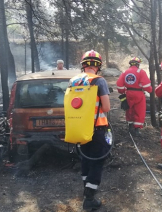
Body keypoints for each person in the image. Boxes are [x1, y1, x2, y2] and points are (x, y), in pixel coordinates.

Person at [70, 50, 110, 211]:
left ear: (83, 64)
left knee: (85, 160)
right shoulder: (99, 81)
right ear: (98, 65)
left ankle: (86, 189)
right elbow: (106, 107)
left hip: (78, 128)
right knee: (98, 161)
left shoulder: (73, 80)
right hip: (97, 128)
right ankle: (89, 199)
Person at [116, 57, 152, 136]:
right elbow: (146, 85)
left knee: (129, 110)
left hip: (128, 93)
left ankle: (130, 127)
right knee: (139, 111)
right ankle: (137, 130)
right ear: (138, 64)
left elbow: (119, 84)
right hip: (139, 94)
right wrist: (150, 90)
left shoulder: (125, 72)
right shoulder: (141, 72)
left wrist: (122, 91)